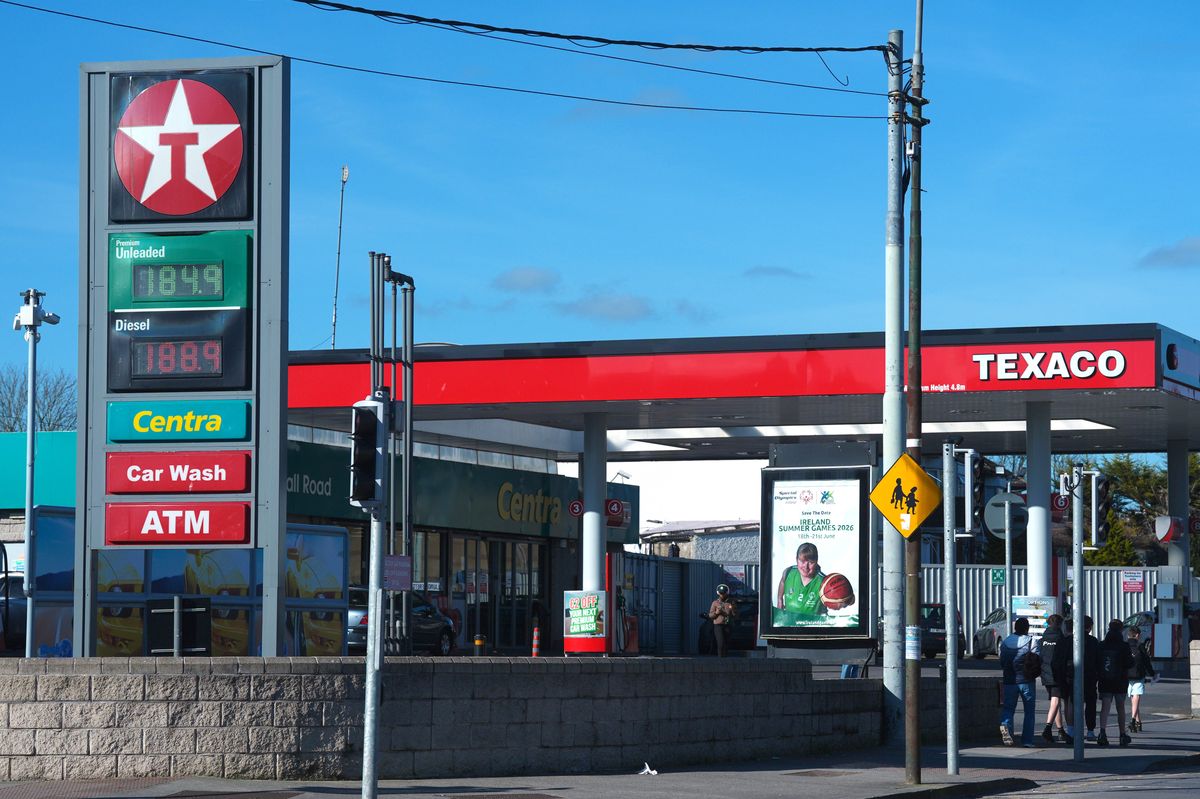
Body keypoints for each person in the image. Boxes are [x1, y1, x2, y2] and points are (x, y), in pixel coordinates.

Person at [999, 617, 1040, 747]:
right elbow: (1037, 660)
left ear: (1015, 627)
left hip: (1009, 681)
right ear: (1027, 628)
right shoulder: (1031, 642)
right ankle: (1027, 741)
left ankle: (1006, 725)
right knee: (1029, 711)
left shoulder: (1005, 643)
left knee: (1008, 708)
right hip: (1026, 681)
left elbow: (1002, 662)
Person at [1063, 615, 1101, 741]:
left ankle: (1071, 730)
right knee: (1090, 704)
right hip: (1090, 677)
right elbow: (1098, 660)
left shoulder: (1069, 641)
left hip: (1071, 676)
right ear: (1089, 628)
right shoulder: (1094, 641)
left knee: (1072, 703)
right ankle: (1090, 731)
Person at [1097, 619, 1134, 746]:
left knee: (1105, 707)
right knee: (1120, 707)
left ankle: (1102, 733)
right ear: (1120, 629)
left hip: (1105, 679)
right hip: (1120, 680)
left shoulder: (1102, 645)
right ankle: (1122, 734)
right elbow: (1129, 663)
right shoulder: (1124, 646)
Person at [1039, 614, 1071, 744]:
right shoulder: (1061, 638)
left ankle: (1060, 730)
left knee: (1054, 702)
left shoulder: (1042, 639)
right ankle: (1048, 728)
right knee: (1059, 701)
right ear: (1060, 624)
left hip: (1045, 673)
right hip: (1057, 673)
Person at [775, 543, 827, 618]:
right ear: (796, 559)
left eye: (811, 562)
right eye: (802, 561)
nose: (806, 567)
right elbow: (783, 582)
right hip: (789, 623)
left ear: (816, 561)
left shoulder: (824, 581)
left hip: (812, 625)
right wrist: (780, 599)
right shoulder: (788, 572)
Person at [1126, 625, 1156, 732]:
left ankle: (1138, 722)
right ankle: (1133, 720)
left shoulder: (1124, 645)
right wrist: (1152, 673)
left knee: (1133, 699)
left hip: (1126, 675)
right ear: (1137, 635)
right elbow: (1146, 662)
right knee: (1137, 697)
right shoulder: (1140, 646)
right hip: (1138, 675)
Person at [707, 584, 735, 657]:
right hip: (718, 625)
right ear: (718, 593)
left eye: (724, 593)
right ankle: (720, 659)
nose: (722, 595)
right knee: (720, 643)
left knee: (726, 643)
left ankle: (725, 658)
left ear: (727, 593)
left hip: (728, 625)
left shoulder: (731, 602)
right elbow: (710, 615)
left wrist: (733, 610)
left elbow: (736, 615)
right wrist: (716, 613)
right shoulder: (715, 603)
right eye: (721, 593)